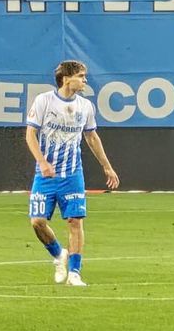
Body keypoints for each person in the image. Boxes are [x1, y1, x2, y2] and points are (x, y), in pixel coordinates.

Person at [25, 60, 120, 287]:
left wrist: (107, 166)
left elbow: (91, 137)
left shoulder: (86, 106)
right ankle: (59, 255)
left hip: (72, 174)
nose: (85, 80)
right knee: (37, 222)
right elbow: (30, 135)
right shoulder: (44, 101)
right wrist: (42, 162)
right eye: (81, 75)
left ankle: (75, 273)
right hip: (45, 174)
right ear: (66, 78)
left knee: (75, 222)